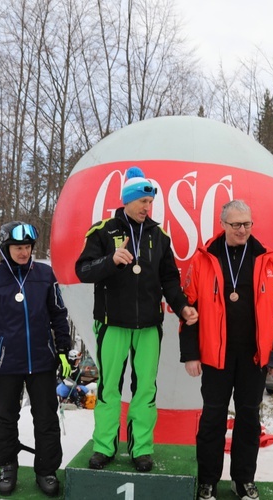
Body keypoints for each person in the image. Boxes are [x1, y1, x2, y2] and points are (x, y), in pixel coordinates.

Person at [75, 166, 198, 473]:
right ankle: (104, 446)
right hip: (112, 324)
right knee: (109, 388)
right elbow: (83, 270)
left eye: (150, 202)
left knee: (145, 389)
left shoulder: (159, 235)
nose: (147, 207)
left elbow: (170, 279)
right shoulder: (103, 231)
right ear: (128, 200)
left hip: (148, 327)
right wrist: (110, 261)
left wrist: (182, 306)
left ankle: (141, 448)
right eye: (142, 201)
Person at [180, 200, 273, 500]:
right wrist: (190, 353)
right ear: (222, 224)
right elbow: (190, 309)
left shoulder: (267, 259)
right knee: (212, 418)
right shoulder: (203, 259)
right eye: (236, 224)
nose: (242, 230)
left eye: (247, 224)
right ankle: (208, 481)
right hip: (215, 355)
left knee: (249, 419)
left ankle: (243, 480)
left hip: (253, 357)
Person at [0, 221, 71, 497]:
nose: (24, 252)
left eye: (27, 247)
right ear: (6, 248)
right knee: (4, 417)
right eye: (18, 247)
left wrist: (63, 350)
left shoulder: (45, 274)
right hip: (6, 364)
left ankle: (46, 470)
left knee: (46, 418)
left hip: (42, 362)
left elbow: (58, 315)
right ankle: (7, 466)